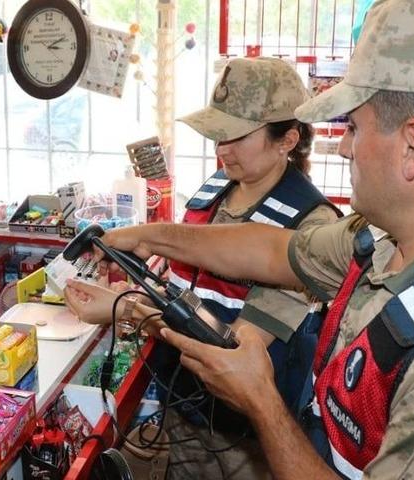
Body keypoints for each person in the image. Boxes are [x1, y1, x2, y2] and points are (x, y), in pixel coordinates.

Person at [91, 0, 414, 478]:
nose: (342, 147)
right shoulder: (383, 242)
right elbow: (271, 248)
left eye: (354, 127)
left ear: (413, 147)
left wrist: (261, 403)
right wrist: (148, 235)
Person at [65, 57, 341, 479]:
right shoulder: (216, 189)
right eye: (216, 136)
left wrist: (126, 308)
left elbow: (230, 346)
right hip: (184, 403)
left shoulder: (309, 228)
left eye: (234, 137)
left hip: (244, 436)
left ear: (287, 139)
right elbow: (182, 286)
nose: (221, 149)